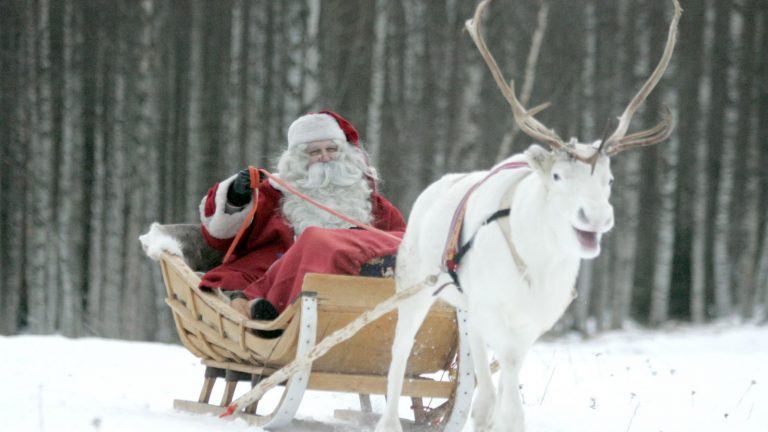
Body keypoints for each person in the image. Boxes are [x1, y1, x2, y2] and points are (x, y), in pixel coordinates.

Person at [198, 111, 405, 327]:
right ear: (297, 159)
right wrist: (236, 196)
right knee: (313, 243)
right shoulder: (274, 192)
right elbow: (221, 237)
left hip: (354, 282)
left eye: (332, 149)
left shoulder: (369, 199)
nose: (325, 157)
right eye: (315, 152)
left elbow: (399, 242)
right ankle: (271, 314)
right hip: (274, 271)